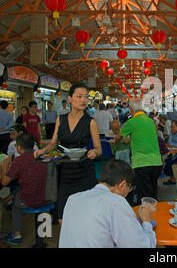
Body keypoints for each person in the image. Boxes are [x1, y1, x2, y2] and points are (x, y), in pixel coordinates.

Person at [34, 83, 102, 223]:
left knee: (85, 217)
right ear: (70, 98)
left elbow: (98, 148)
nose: (83, 100)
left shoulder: (91, 122)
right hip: (66, 172)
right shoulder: (61, 119)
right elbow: (54, 143)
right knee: (62, 218)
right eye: (79, 96)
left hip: (84, 172)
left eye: (86, 97)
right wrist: (42, 150)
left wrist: (94, 152)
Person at [59, 160, 156, 248]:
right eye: (129, 188)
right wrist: (146, 221)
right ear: (122, 185)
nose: (128, 192)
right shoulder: (115, 202)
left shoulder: (73, 199)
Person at [0, 133, 48, 246]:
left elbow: (4, 182)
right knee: (20, 189)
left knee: (16, 203)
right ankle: (45, 235)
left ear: (19, 147)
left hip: (30, 200)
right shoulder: (42, 156)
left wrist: (6, 165)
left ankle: (16, 235)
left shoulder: (19, 160)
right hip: (47, 197)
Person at [115, 99, 162, 204]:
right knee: (153, 193)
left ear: (131, 109)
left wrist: (114, 140)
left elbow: (118, 137)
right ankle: (154, 215)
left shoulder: (131, 122)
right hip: (157, 162)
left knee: (144, 195)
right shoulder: (151, 121)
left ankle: (146, 217)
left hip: (142, 163)